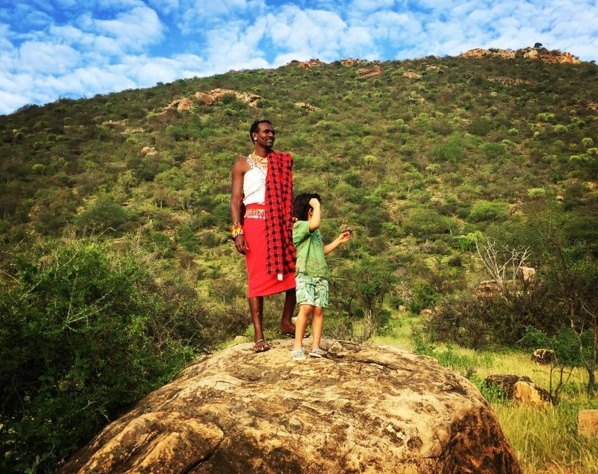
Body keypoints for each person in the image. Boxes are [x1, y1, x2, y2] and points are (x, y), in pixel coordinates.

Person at [230, 119, 298, 353]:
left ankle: (286, 322)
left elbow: (288, 195)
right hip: (254, 224)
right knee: (256, 277)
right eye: (266, 132)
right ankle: (259, 336)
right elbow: (236, 200)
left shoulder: (282, 162)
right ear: (254, 136)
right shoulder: (242, 165)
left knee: (295, 271)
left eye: (273, 132)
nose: (271, 135)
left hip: (281, 223)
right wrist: (237, 230)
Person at [290, 193, 351, 361]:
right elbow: (315, 223)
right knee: (306, 307)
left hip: (320, 274)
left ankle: (315, 346)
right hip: (305, 274)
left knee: (318, 309)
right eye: (315, 208)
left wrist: (338, 241)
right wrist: (316, 204)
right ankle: (297, 347)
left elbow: (321, 250)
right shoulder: (299, 226)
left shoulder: (315, 232)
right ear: (309, 210)